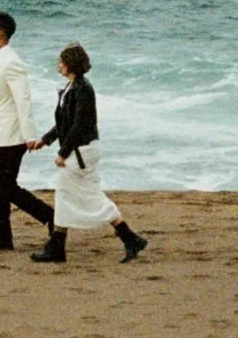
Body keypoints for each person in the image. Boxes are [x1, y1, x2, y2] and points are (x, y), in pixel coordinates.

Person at [28, 43, 148, 264]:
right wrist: (44, 141)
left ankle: (59, 246)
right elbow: (63, 124)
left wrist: (62, 153)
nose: (59, 65)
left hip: (81, 152)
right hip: (80, 150)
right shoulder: (72, 87)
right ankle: (127, 239)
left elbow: (79, 126)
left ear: (70, 64)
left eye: (62, 61)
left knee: (80, 195)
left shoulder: (82, 89)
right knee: (71, 194)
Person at [0, 12, 55, 252]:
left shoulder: (12, 62)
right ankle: (3, 237)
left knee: (7, 188)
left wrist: (30, 135)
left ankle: (51, 216)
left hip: (12, 136)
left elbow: (23, 100)